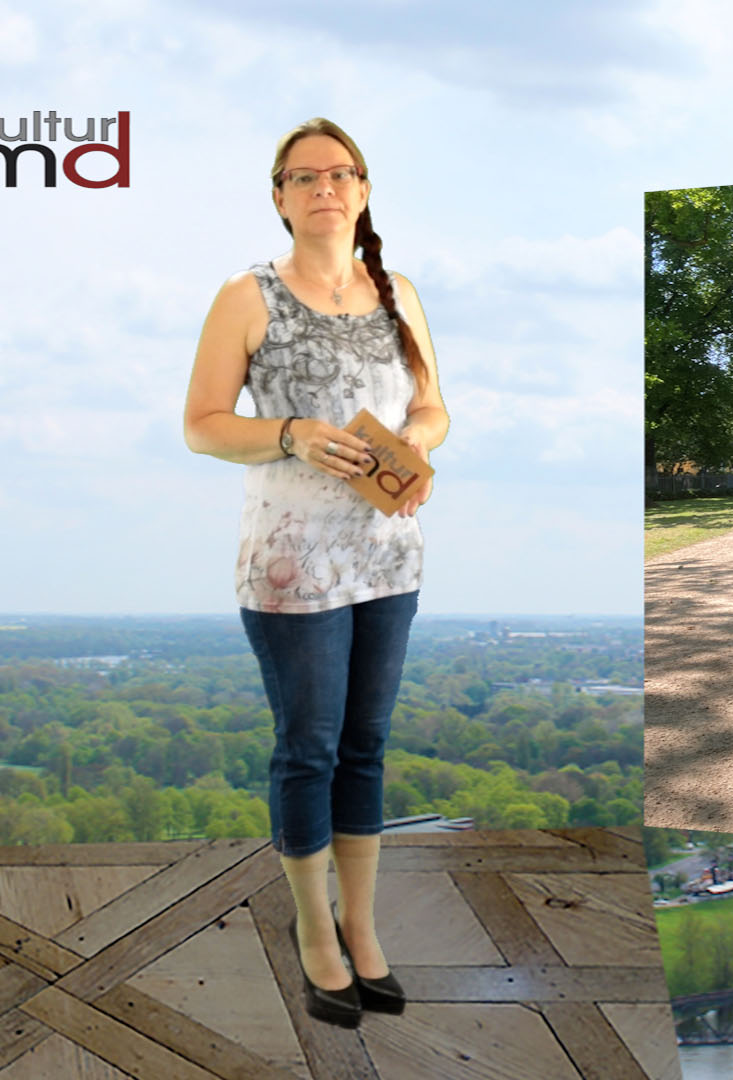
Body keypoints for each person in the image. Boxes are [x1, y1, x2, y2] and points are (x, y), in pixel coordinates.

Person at [183, 118, 447, 1027]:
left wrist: (414, 443)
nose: (324, 188)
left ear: (364, 190)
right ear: (280, 197)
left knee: (365, 749)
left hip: (388, 554)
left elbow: (434, 406)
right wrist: (291, 433)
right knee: (309, 750)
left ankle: (363, 928)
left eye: (340, 174)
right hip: (292, 566)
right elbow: (204, 423)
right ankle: (313, 933)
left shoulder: (400, 293)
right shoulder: (246, 296)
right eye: (304, 177)